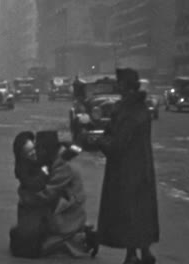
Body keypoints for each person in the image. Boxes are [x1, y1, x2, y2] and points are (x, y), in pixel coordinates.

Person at [96, 68, 159, 264]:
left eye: (119, 82)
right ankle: (145, 251)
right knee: (142, 211)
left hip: (126, 171)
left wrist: (101, 142)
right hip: (143, 168)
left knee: (128, 212)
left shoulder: (126, 110)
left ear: (125, 85)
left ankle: (132, 255)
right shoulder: (141, 108)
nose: (117, 85)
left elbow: (117, 144)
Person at [34, 130, 98, 258]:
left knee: (41, 248)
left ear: (47, 150)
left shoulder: (63, 168)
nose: (36, 153)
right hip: (66, 210)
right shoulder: (55, 163)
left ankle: (82, 237)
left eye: (38, 149)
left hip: (68, 215)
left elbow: (48, 193)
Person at [9, 131, 50, 258]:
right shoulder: (23, 169)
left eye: (33, 149)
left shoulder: (38, 157)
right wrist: (44, 172)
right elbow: (32, 184)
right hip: (33, 202)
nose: (33, 153)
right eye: (29, 152)